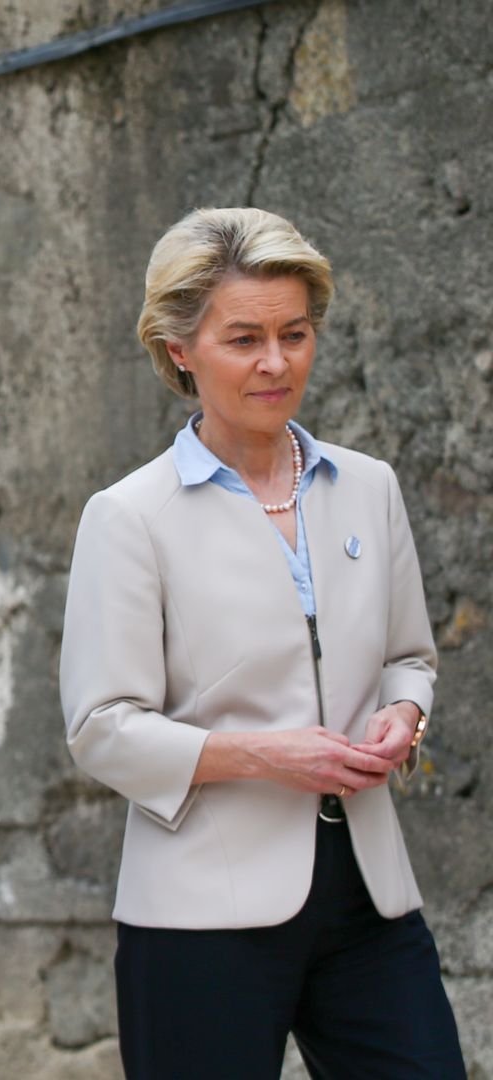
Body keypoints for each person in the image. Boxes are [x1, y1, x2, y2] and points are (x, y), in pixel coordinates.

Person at [60, 206, 466, 1078]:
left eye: (296, 333)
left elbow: (410, 657)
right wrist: (264, 757)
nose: (277, 362)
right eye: (244, 338)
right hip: (201, 915)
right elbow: (101, 725)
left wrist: (405, 713)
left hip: (370, 898)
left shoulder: (369, 487)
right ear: (179, 347)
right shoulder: (130, 517)